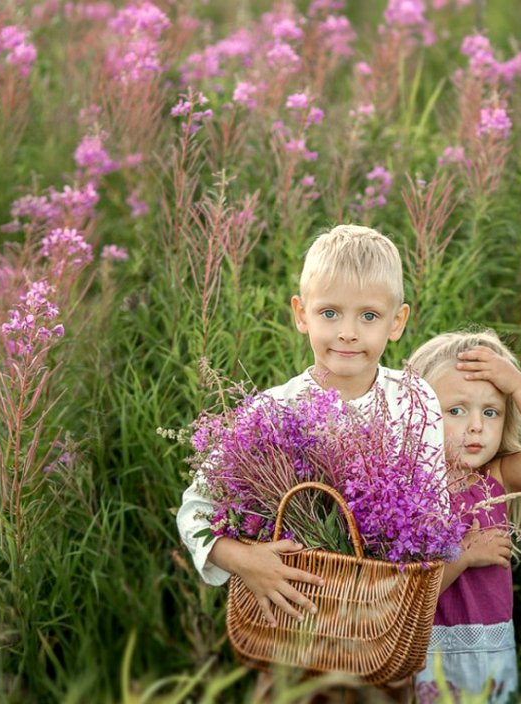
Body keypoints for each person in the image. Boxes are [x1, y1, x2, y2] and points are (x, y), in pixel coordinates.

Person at [176, 224, 446, 630]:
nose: (348, 332)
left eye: (369, 316)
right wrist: (247, 562)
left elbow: (433, 516)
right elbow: (194, 511)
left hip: (382, 621)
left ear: (397, 322)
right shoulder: (274, 409)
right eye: (329, 313)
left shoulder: (414, 400)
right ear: (301, 314)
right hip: (293, 619)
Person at [406, 330, 521, 702]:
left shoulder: (495, 478)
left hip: (490, 653)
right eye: (456, 410)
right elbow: (407, 596)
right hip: (424, 656)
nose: (476, 427)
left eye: (491, 412)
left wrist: (518, 385)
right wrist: (464, 554)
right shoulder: (410, 492)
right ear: (418, 412)